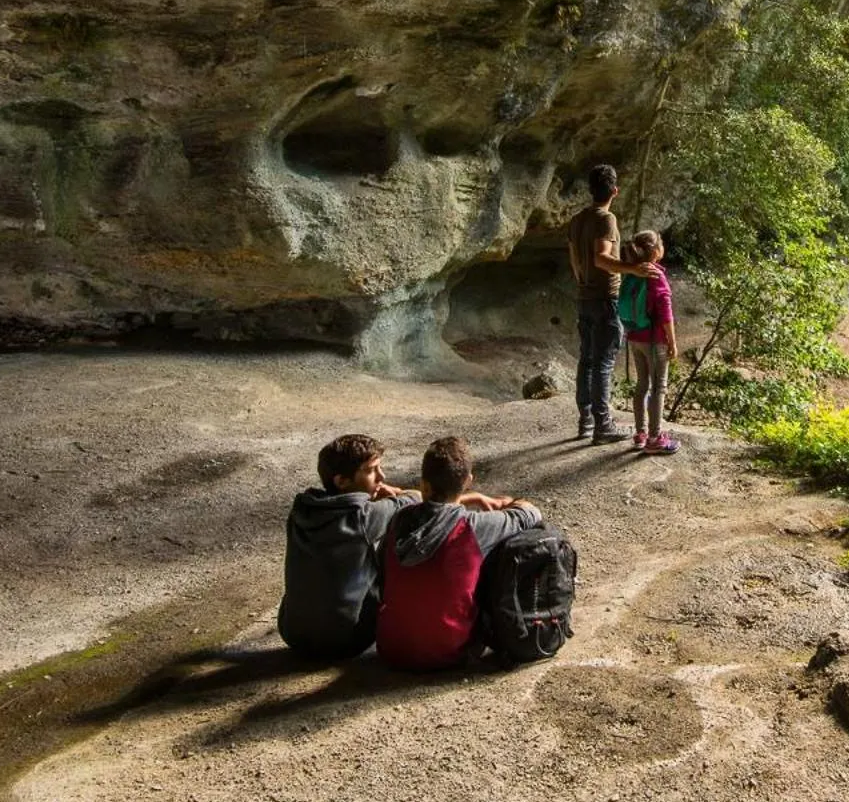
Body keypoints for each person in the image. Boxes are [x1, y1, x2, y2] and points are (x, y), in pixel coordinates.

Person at [276, 434, 505, 660]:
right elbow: (415, 498)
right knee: (391, 554)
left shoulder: (301, 511)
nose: (381, 477)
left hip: (292, 632)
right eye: (371, 470)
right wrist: (461, 498)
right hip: (345, 641)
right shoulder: (363, 518)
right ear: (341, 481)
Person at [375, 436, 541, 670]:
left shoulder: (398, 520)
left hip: (392, 648)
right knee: (492, 553)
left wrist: (468, 498)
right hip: (452, 653)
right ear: (468, 481)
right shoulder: (473, 526)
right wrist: (509, 503)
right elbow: (530, 514)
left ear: (424, 483)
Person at [565, 163, 660, 445]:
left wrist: (583, 281)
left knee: (587, 360)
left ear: (590, 190)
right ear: (614, 191)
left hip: (584, 297)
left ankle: (586, 420)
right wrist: (634, 270)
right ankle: (603, 425)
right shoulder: (606, 220)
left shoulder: (577, 220)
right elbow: (600, 258)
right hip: (605, 298)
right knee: (604, 363)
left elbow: (575, 260)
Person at [619, 229, 680, 455]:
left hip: (635, 336)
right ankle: (655, 438)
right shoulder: (656, 275)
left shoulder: (633, 272)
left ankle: (640, 434)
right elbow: (665, 313)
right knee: (658, 387)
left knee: (642, 384)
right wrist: (672, 342)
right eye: (661, 243)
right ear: (655, 251)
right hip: (655, 340)